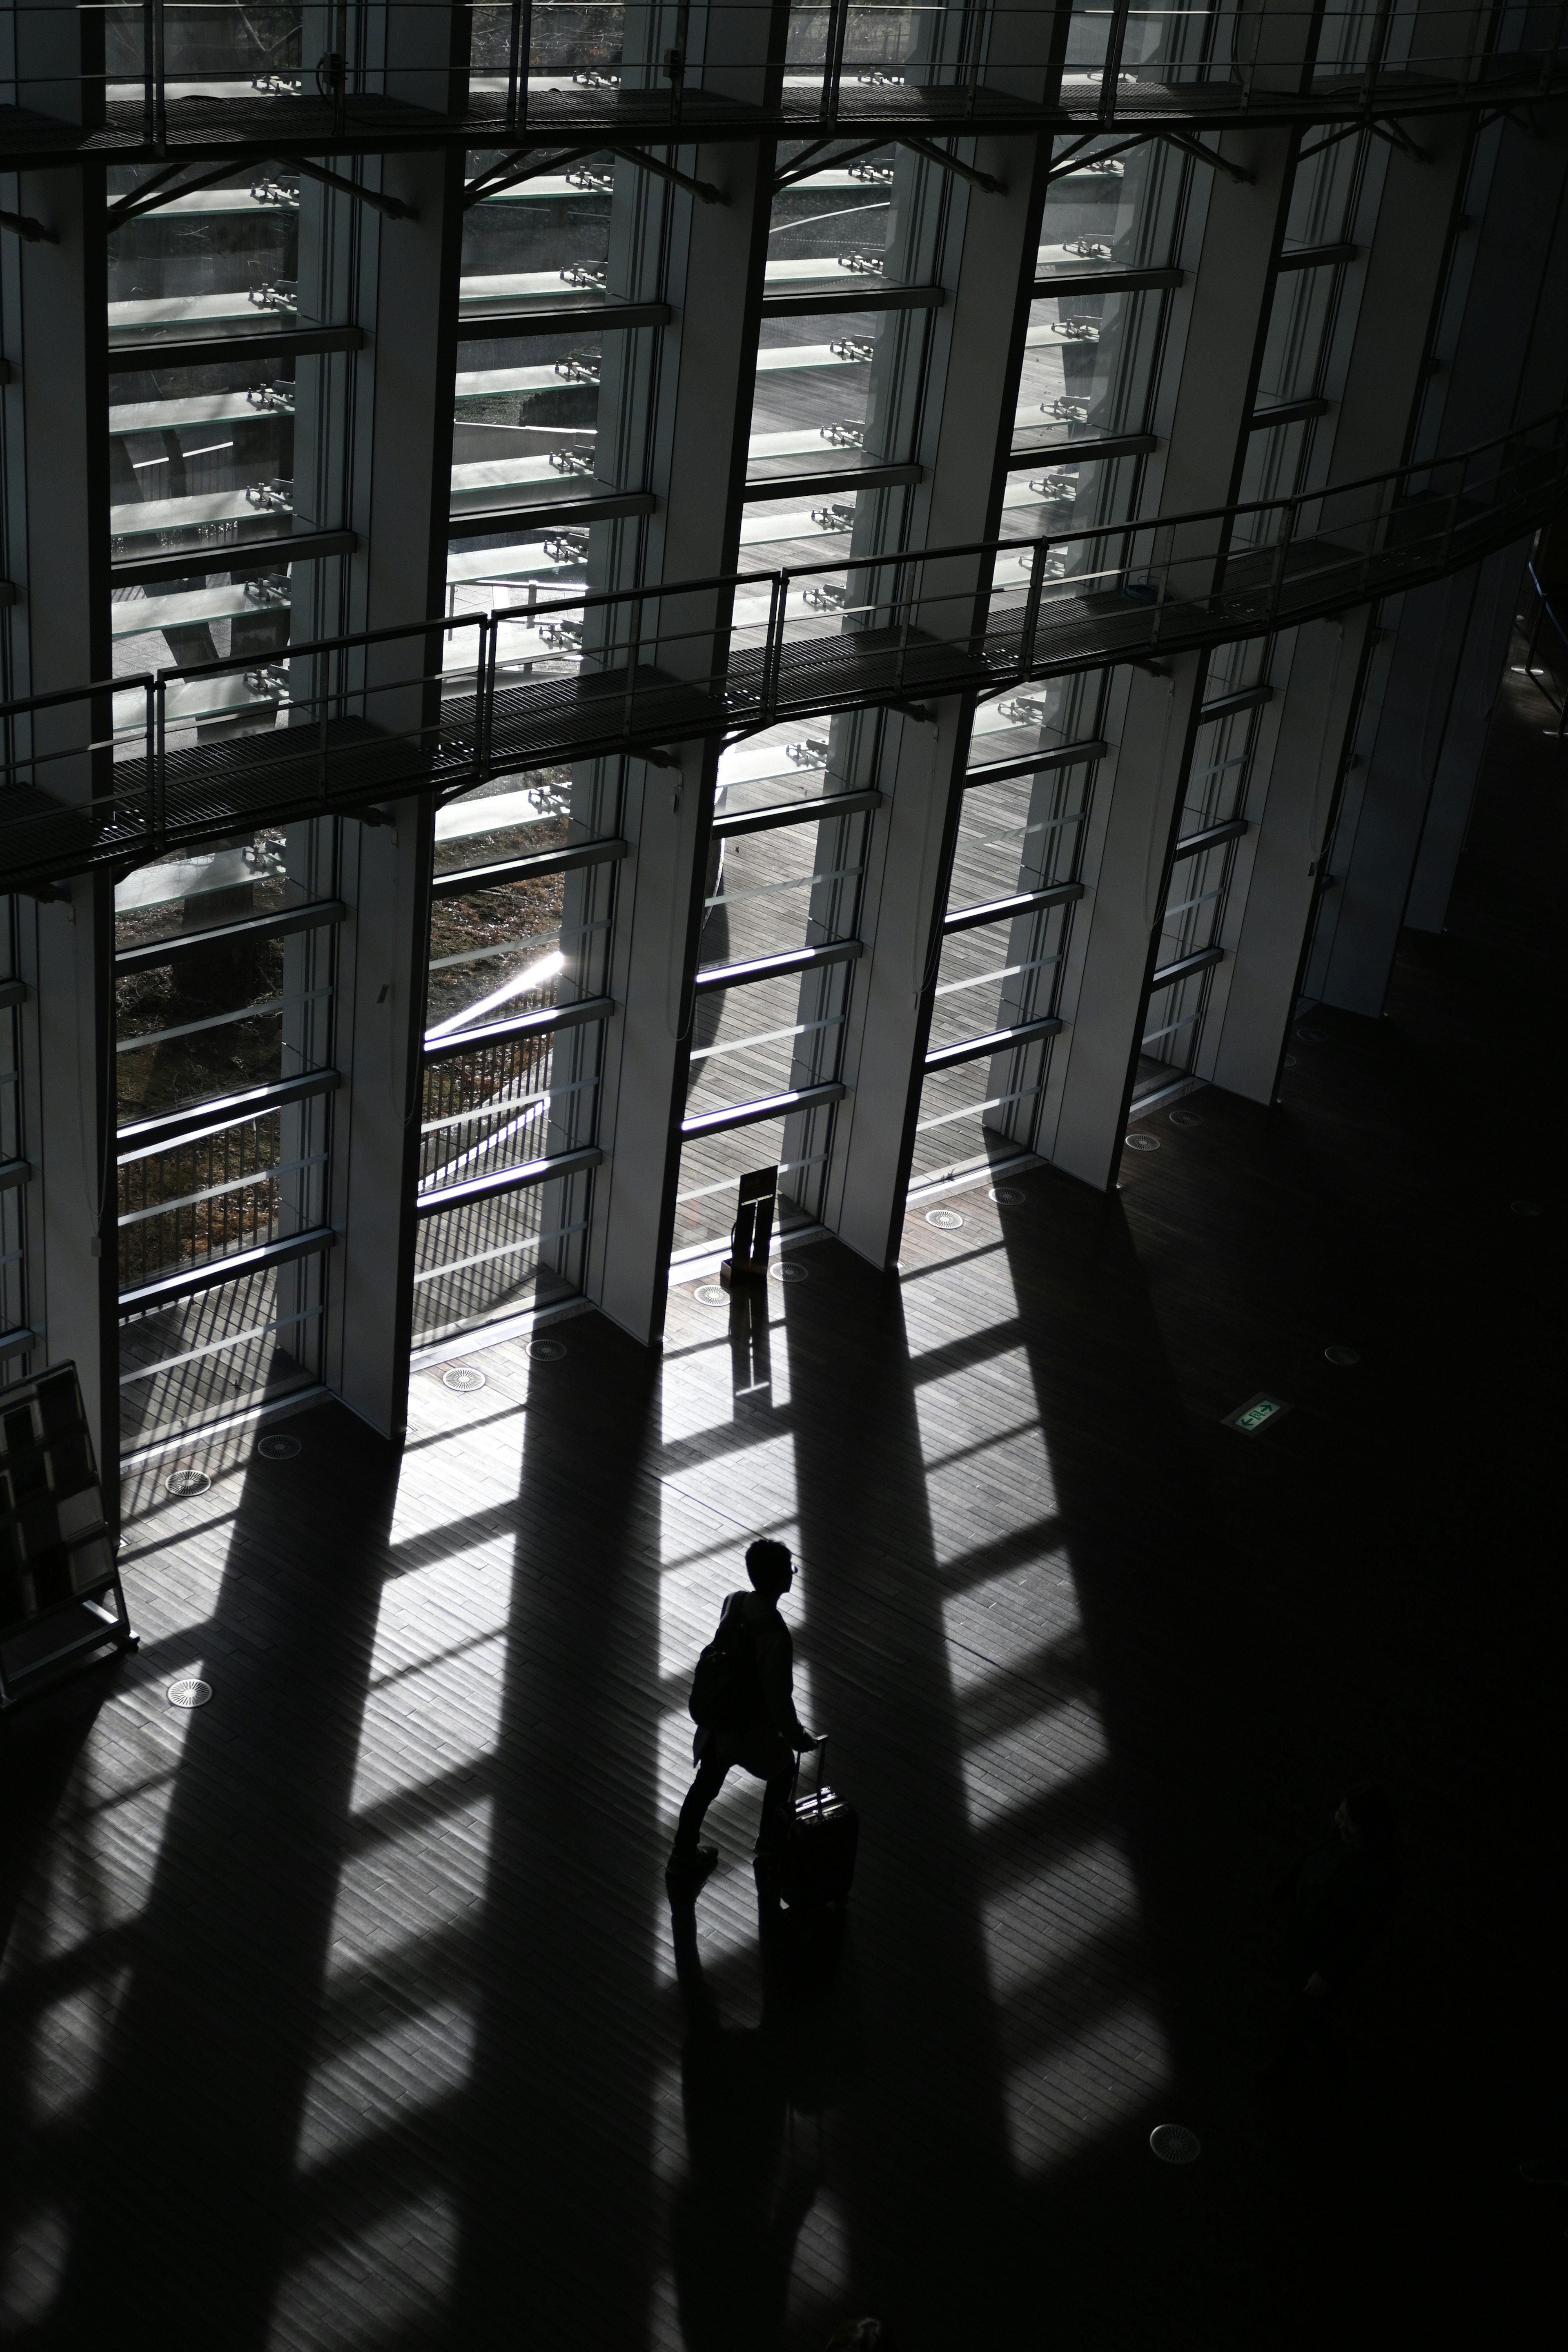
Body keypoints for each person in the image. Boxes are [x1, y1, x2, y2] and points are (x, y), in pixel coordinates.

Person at [668, 1538, 816, 1887]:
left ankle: (682, 1855)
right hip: (751, 1730)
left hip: (720, 1718)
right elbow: (779, 1699)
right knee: (783, 1771)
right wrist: (798, 1738)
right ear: (783, 1579)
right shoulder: (777, 1637)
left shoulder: (733, 1602)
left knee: (706, 1785)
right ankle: (768, 1846)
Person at [1262, 1780, 1401, 2080]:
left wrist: (1328, 1973)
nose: (1342, 1825)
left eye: (1352, 1822)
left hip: (1324, 1954)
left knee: (1306, 2013)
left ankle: (1324, 2056)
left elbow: (1363, 1935)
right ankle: (1300, 2050)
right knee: (1299, 2005)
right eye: (1341, 1815)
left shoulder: (1381, 1876)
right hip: (1305, 1939)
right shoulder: (1340, 1839)